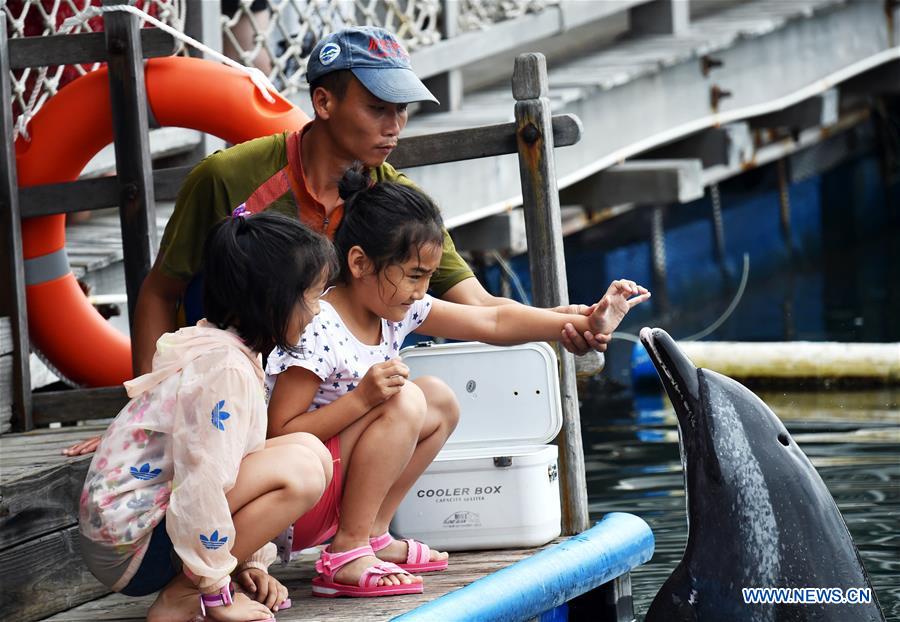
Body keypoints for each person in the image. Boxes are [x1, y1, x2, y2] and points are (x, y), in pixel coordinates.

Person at [64, 25, 607, 457]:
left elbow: (482, 311)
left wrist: (571, 323)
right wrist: (144, 419)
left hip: (316, 413)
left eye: (402, 110)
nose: (395, 126)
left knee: (427, 400)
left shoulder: (394, 204)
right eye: (378, 108)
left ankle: (357, 541)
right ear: (323, 103)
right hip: (223, 394)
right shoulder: (228, 177)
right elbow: (160, 292)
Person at [265, 166, 651, 597]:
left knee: (439, 400)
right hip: (299, 502)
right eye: (414, 275)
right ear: (359, 262)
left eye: (429, 277)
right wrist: (361, 400)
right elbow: (277, 434)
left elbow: (492, 318)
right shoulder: (319, 326)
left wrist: (583, 318)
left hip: (335, 488)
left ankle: (372, 534)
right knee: (406, 401)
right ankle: (347, 553)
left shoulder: (395, 309)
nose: (421, 290)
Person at [78, 212, 338, 621]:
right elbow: (202, 481)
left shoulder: (229, 351)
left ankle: (202, 580)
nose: (318, 311)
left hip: (142, 528)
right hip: (133, 543)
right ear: (272, 298)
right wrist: (216, 588)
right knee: (302, 470)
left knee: (310, 451)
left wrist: (249, 565)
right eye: (310, 296)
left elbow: (235, 461)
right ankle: (185, 595)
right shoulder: (225, 368)